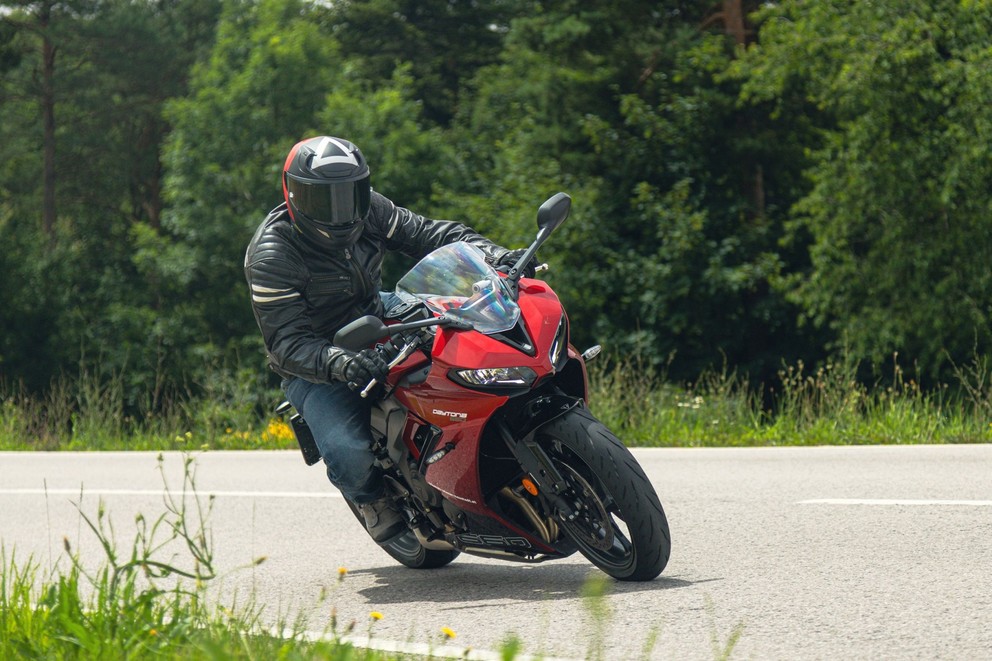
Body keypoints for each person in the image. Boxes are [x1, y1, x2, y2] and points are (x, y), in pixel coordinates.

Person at [244, 136, 533, 542]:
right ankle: (370, 498)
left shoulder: (372, 210)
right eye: (324, 200)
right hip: (316, 358)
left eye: (350, 194)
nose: (340, 211)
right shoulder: (273, 256)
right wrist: (339, 362)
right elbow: (287, 344)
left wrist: (492, 253)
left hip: (378, 311)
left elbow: (432, 235)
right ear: (293, 195)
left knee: (470, 339)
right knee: (348, 452)